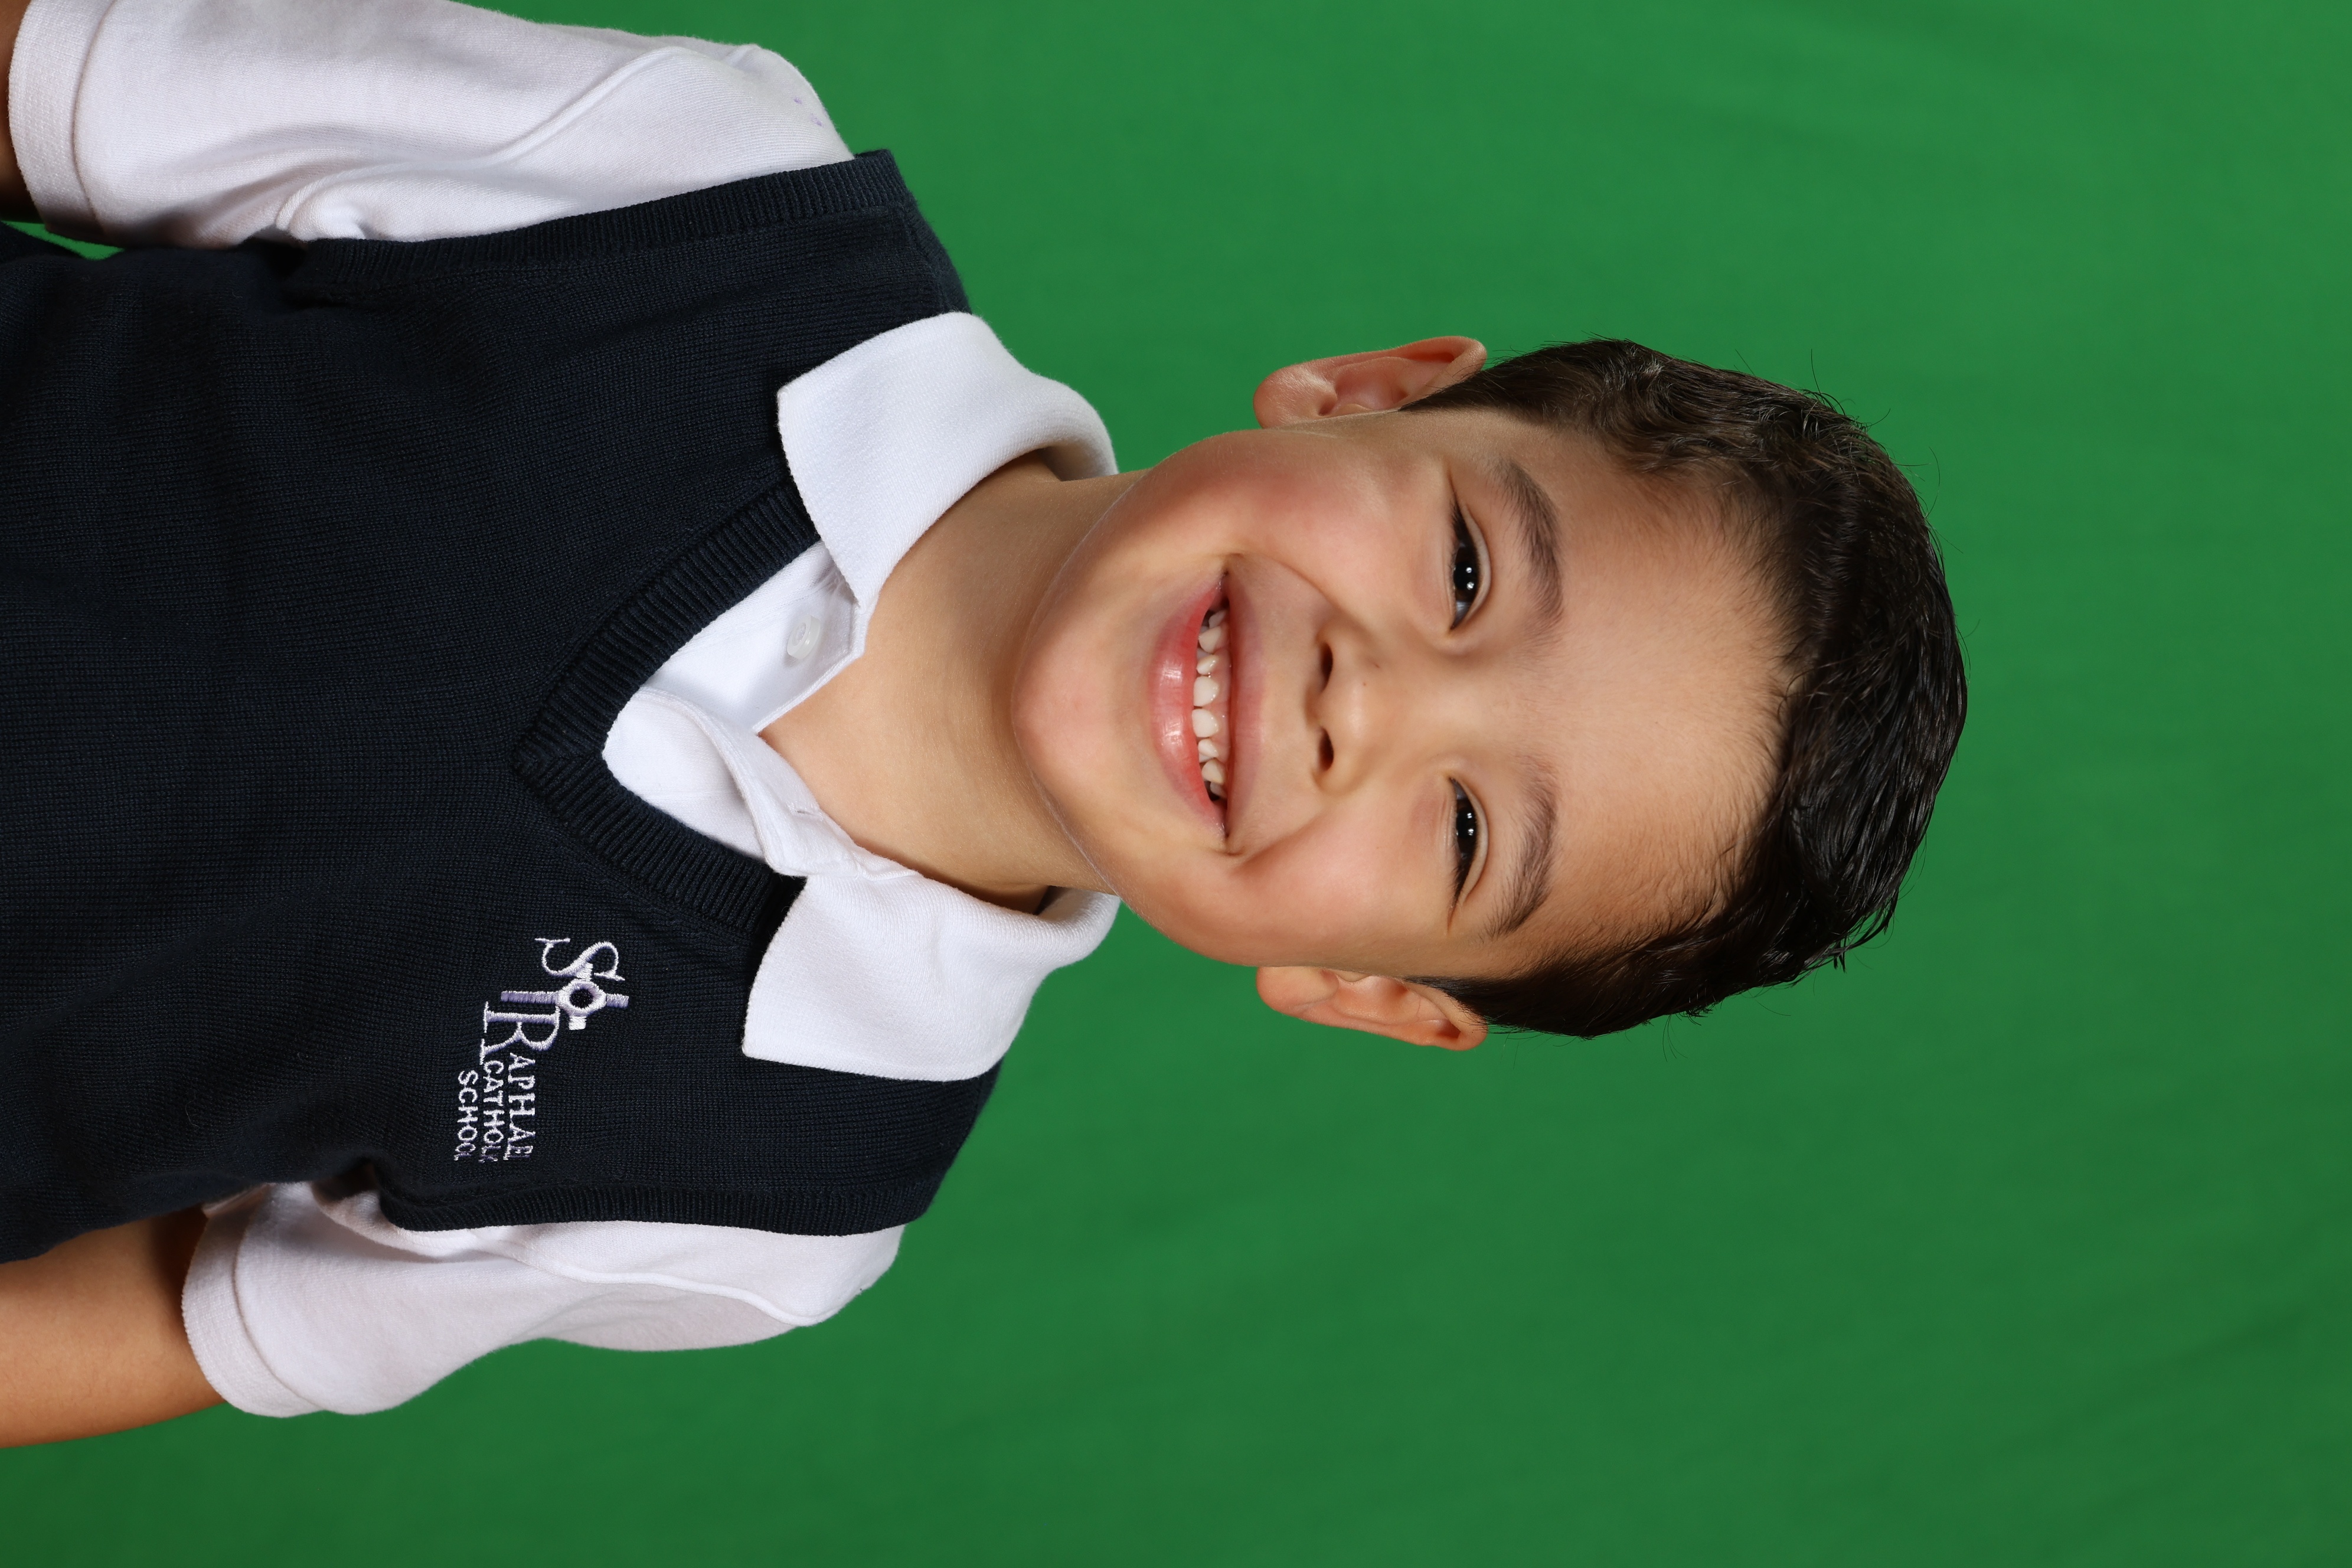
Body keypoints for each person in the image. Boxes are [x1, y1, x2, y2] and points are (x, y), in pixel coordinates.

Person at [0, 0, 1963, 1444]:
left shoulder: (776, 1201)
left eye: (1467, 831)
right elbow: (48, 74)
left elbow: (192, 1313)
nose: (1369, 701)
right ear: (1370, 392)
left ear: (1370, 988)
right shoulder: (705, 188)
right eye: (1465, 568)